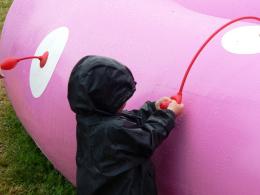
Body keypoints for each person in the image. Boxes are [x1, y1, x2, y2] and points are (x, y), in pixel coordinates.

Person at [67, 55, 184, 195]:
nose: (125, 103)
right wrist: (168, 115)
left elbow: (126, 121)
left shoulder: (91, 117)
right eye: (121, 99)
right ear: (105, 100)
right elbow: (146, 138)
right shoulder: (112, 129)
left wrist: (152, 109)